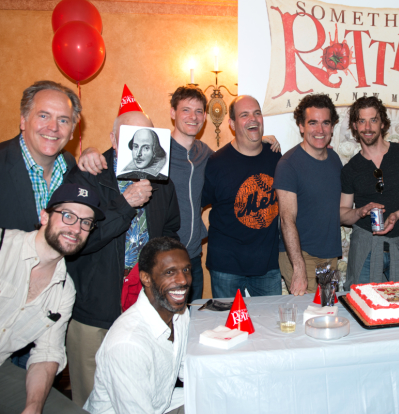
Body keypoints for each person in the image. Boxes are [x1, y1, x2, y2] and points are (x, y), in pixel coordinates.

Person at [78, 85, 280, 302]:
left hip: (191, 255)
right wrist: (90, 152)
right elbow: (122, 153)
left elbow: (236, 158)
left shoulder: (207, 156)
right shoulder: (157, 151)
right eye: (185, 110)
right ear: (173, 113)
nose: (193, 117)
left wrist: (261, 138)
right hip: (160, 257)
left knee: (189, 322)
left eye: (199, 111)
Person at [63, 92, 181, 406]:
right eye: (131, 138)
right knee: (91, 398)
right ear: (116, 140)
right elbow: (77, 240)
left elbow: (170, 231)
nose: (141, 148)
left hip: (144, 304)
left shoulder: (162, 183)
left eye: (148, 140)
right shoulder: (89, 176)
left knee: (140, 392)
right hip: (96, 310)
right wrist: (125, 203)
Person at [0, 183, 104, 414]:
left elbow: (47, 354)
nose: (76, 228)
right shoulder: (3, 247)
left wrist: (33, 407)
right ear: (44, 216)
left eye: (85, 222)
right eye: (68, 216)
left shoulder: (65, 290)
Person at [0, 80, 81, 368]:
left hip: (46, 319)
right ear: (23, 120)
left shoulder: (74, 169)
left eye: (63, 120)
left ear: (72, 130)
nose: (53, 128)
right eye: (43, 115)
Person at [84, 237, 190, 414]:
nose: (183, 280)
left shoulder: (179, 312)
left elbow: (186, 369)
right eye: (170, 272)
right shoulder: (128, 344)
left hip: (161, 403)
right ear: (146, 278)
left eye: (186, 270)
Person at [340, 96, 399, 288]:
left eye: (373, 120)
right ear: (355, 126)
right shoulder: (350, 169)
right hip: (365, 246)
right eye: (362, 121)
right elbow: (342, 213)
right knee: (363, 305)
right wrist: (360, 211)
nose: (367, 127)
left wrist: (398, 215)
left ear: (383, 123)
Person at [201, 96, 282, 298]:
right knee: (228, 328)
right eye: (244, 115)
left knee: (271, 325)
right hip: (226, 266)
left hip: (267, 266)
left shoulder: (275, 157)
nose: (252, 119)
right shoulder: (217, 163)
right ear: (231, 123)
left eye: (257, 113)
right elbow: (198, 204)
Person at [274, 94, 343, 295]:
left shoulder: (334, 159)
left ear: (332, 127)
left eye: (325, 123)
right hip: (302, 256)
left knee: (328, 311)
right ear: (301, 126)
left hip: (330, 257)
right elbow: (287, 220)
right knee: (311, 316)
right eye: (312, 123)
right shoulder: (288, 165)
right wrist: (299, 267)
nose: (319, 130)